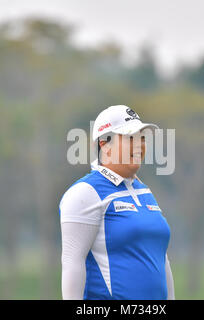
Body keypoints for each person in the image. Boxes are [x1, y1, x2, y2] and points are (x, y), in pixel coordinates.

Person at [59, 105, 174, 300]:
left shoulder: (144, 190)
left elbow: (162, 259)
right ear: (104, 144)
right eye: (130, 138)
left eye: (142, 138)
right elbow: (72, 262)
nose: (139, 145)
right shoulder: (85, 193)